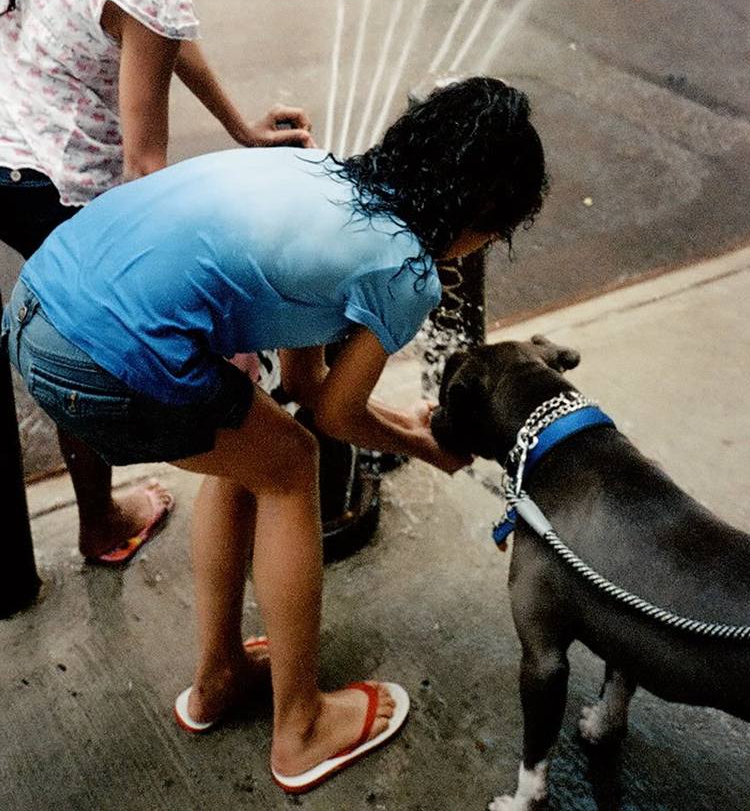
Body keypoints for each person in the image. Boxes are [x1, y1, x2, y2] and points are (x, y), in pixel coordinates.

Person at [3, 76, 547, 792]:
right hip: (102, 354)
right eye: (498, 230)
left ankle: (220, 677)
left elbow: (304, 383)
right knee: (292, 463)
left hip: (37, 306)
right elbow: (336, 418)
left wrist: (404, 427)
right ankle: (300, 728)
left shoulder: (317, 170)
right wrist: (420, 441)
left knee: (255, 447)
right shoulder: (406, 270)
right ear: (481, 213)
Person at [0, 0, 313, 563]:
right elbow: (145, 177)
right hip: (55, 184)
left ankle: (95, 515)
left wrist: (238, 123)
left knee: (70, 311)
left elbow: (158, 32)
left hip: (5, 141)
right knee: (91, 323)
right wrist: (226, 312)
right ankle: (103, 521)